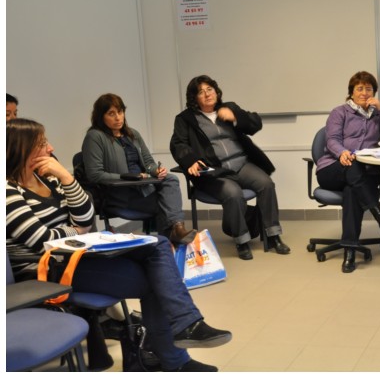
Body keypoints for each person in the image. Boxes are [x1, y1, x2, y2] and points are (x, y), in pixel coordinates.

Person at [6, 118, 232, 372]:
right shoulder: (8, 191)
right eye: (42, 144)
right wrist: (75, 231)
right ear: (21, 149)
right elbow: (41, 241)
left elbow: (86, 219)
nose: (51, 148)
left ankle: (184, 330)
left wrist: (67, 178)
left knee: (158, 244)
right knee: (156, 280)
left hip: (76, 256)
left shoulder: (50, 179)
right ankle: (176, 353)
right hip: (46, 270)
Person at [170, 74, 290, 260]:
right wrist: (190, 160)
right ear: (194, 98)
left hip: (242, 164)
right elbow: (178, 144)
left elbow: (255, 123)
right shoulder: (185, 119)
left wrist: (235, 117)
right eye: (201, 92)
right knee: (233, 193)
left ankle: (273, 235)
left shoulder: (229, 108)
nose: (207, 94)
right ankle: (241, 241)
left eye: (210, 89)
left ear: (216, 92)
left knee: (266, 184)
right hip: (215, 172)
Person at [82, 93, 196, 245]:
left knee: (170, 179)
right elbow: (95, 174)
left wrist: (156, 171)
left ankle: (176, 232)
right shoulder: (94, 137)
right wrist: (129, 177)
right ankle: (171, 241)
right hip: (120, 196)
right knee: (167, 205)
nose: (118, 118)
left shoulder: (133, 134)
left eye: (120, 112)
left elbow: (148, 163)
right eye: (111, 114)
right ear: (101, 117)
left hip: (143, 189)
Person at [315, 71, 380, 273]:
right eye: (359, 88)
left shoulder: (378, 115)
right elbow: (332, 139)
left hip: (362, 175)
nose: (364, 93)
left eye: (368, 89)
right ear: (351, 92)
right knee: (352, 165)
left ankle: (350, 251)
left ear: (374, 92)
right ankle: (379, 215)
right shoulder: (339, 112)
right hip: (332, 169)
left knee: (352, 190)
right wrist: (342, 152)